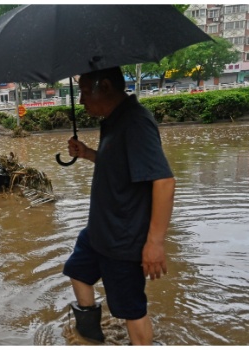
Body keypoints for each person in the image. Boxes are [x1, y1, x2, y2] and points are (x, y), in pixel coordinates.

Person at [62, 67, 176, 345]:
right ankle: (90, 339)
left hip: (123, 238)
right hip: (100, 230)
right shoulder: (113, 120)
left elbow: (164, 181)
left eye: (86, 92)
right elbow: (121, 166)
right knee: (77, 271)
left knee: (130, 309)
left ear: (107, 87)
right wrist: (88, 153)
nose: (81, 101)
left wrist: (155, 243)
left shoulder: (136, 122)